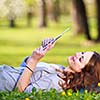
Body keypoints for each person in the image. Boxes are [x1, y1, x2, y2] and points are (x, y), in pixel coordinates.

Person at [0, 38, 100, 93]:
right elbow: (22, 69)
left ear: (83, 72)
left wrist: (34, 60)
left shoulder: (56, 83)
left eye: (81, 59)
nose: (78, 54)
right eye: (82, 52)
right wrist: (42, 50)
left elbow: (20, 92)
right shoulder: (60, 69)